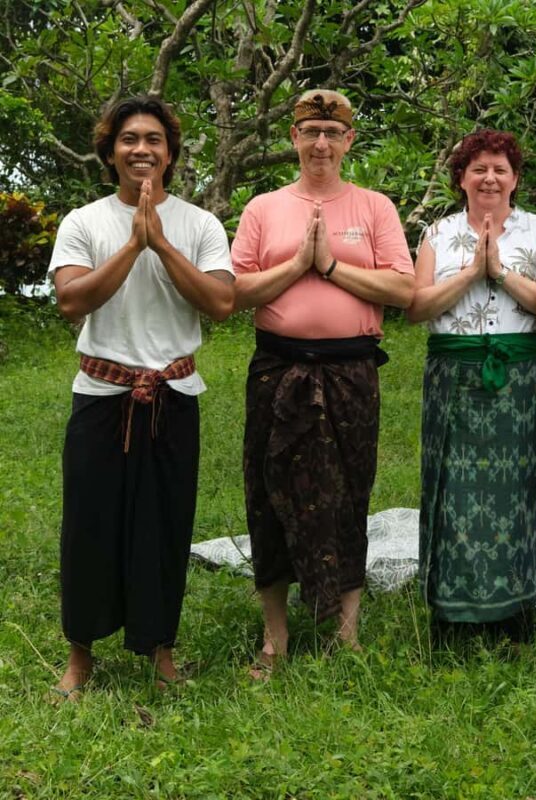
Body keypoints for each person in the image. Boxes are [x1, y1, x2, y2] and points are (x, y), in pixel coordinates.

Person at [49, 95, 235, 700]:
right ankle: (81, 654)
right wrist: (132, 244)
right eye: (129, 139)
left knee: (165, 524)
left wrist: (160, 242)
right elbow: (72, 301)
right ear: (109, 152)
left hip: (172, 395)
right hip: (102, 395)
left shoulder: (200, 224)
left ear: (171, 152)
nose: (142, 150)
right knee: (89, 526)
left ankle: (161, 652)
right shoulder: (84, 221)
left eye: (154, 139)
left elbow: (220, 303)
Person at [231, 89, 414, 673]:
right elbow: (235, 292)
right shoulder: (264, 208)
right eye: (310, 131)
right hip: (278, 369)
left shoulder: (374, 208)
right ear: (293, 138)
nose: (321, 143)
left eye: (333, 134)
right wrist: (297, 266)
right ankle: (275, 636)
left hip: (349, 371)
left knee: (348, 491)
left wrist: (333, 265)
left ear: (349, 141)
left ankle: (346, 630)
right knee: (269, 492)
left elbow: (403, 289)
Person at [407, 130, 536, 644]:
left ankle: (512, 611)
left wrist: (501, 273)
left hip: (520, 379)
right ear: (461, 179)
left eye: (500, 169)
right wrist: (473, 270)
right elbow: (417, 307)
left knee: (517, 486)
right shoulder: (436, 231)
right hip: (451, 374)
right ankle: (451, 614)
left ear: (515, 179)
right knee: (451, 487)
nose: (489, 177)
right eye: (479, 169)